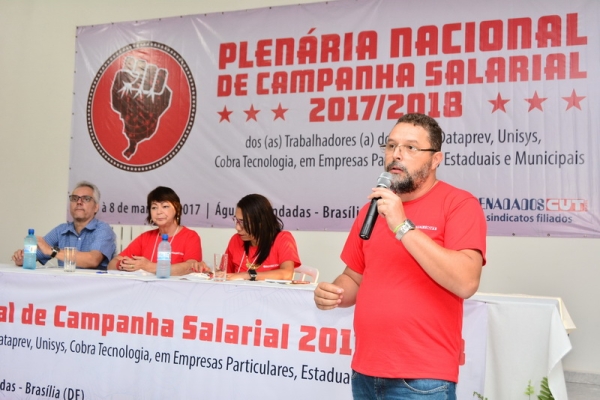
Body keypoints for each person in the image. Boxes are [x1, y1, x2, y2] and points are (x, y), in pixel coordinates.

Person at [313, 113, 487, 400]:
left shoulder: (459, 204)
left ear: (435, 159)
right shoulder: (372, 209)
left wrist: (402, 225)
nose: (396, 154)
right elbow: (354, 277)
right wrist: (334, 293)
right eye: (391, 145)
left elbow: (466, 282)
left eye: (410, 147)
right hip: (365, 372)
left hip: (423, 379)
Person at [11, 181, 116, 270]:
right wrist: (22, 258)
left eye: (86, 199)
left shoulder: (103, 230)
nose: (79, 202)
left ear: (96, 207)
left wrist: (52, 251)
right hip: (64, 285)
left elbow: (92, 260)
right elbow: (36, 254)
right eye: (74, 198)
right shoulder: (61, 230)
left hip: (93, 286)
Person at [107, 186, 202, 275]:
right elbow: (111, 265)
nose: (159, 212)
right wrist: (125, 265)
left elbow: (191, 267)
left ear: (177, 209)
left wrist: (149, 267)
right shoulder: (145, 237)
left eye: (165, 206)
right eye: (154, 207)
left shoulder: (190, 236)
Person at [221, 194, 301, 281]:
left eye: (244, 222)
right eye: (236, 220)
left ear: (261, 222)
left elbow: (287, 274)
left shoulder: (283, 238)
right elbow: (224, 274)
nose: (237, 228)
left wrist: (248, 275)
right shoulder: (236, 240)